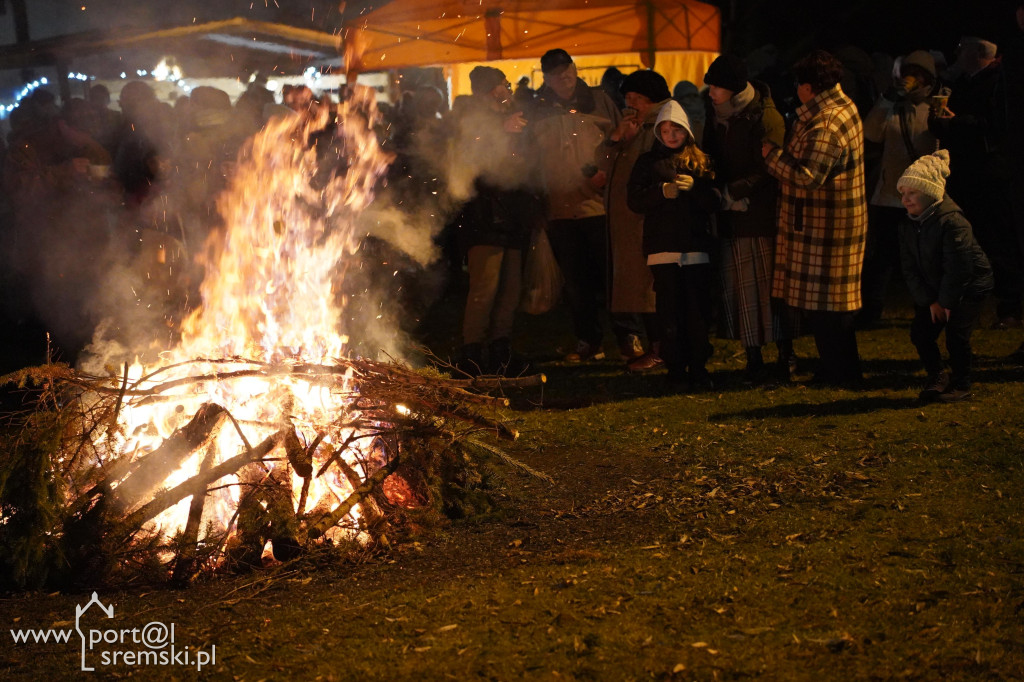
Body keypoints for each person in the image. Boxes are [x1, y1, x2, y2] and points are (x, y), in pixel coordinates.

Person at [762, 49, 868, 387]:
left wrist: (771, 156)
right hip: (834, 221)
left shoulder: (826, 123)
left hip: (826, 226)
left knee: (828, 310)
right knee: (829, 306)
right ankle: (836, 368)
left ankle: (842, 372)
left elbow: (807, 176)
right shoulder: (842, 108)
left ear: (807, 87)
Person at [527, 48, 622, 362]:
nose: (564, 78)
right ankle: (588, 340)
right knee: (577, 283)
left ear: (575, 69)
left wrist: (607, 176)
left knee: (613, 276)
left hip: (599, 205)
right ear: (547, 78)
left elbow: (620, 141)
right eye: (557, 75)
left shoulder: (599, 100)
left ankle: (628, 338)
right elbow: (529, 158)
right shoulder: (538, 109)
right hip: (560, 209)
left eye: (568, 71)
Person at [700, 54, 790, 384]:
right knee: (739, 289)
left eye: (716, 86)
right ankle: (753, 356)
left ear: (734, 89)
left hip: (760, 214)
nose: (710, 91)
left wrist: (732, 191)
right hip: (731, 215)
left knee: (768, 288)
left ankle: (784, 353)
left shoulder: (763, 117)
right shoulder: (716, 114)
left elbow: (768, 166)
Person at [929, 36, 1023, 330]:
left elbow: (997, 126)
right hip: (966, 173)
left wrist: (956, 123)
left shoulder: (999, 83)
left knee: (997, 241)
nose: (957, 53)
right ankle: (968, 305)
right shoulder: (961, 82)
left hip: (990, 175)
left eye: (963, 49)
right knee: (965, 243)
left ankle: (1010, 306)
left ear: (977, 53)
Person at [627, 100, 718, 390]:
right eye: (665, 130)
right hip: (663, 250)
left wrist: (697, 189)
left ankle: (699, 367)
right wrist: (661, 192)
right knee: (669, 311)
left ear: (686, 130)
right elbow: (634, 200)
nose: (671, 135)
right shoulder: (648, 163)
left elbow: (714, 200)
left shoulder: (701, 161)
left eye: (676, 129)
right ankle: (676, 368)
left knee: (696, 311)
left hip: (694, 249)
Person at [450, 66, 535, 376]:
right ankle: (471, 353)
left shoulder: (512, 113)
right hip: (483, 216)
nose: (508, 90)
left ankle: (501, 349)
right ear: (489, 89)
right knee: (484, 288)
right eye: (503, 85)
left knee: (511, 287)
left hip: (512, 212)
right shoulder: (468, 114)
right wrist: (501, 127)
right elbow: (467, 151)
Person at [896, 150, 993, 402]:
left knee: (956, 335)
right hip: (938, 289)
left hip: (969, 286)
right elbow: (910, 268)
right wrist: (930, 301)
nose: (905, 199)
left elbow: (959, 267)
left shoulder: (952, 222)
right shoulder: (909, 224)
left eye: (912, 193)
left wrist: (947, 302)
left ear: (929, 193)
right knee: (921, 332)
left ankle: (962, 383)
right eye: (903, 194)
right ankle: (937, 376)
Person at [596, 69, 673, 371]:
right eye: (627, 99)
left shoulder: (659, 127)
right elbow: (600, 161)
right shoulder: (631, 128)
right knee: (638, 288)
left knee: (650, 289)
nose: (630, 106)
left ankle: (660, 347)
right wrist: (616, 139)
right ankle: (654, 344)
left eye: (636, 99)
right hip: (626, 220)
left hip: (646, 219)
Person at [859, 50, 939, 326]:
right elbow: (869, 132)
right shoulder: (893, 106)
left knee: (920, 259)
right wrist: (887, 99)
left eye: (918, 75)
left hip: (921, 199)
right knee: (881, 259)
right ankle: (871, 311)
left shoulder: (934, 110)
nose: (912, 80)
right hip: (888, 196)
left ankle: (924, 311)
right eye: (909, 74)